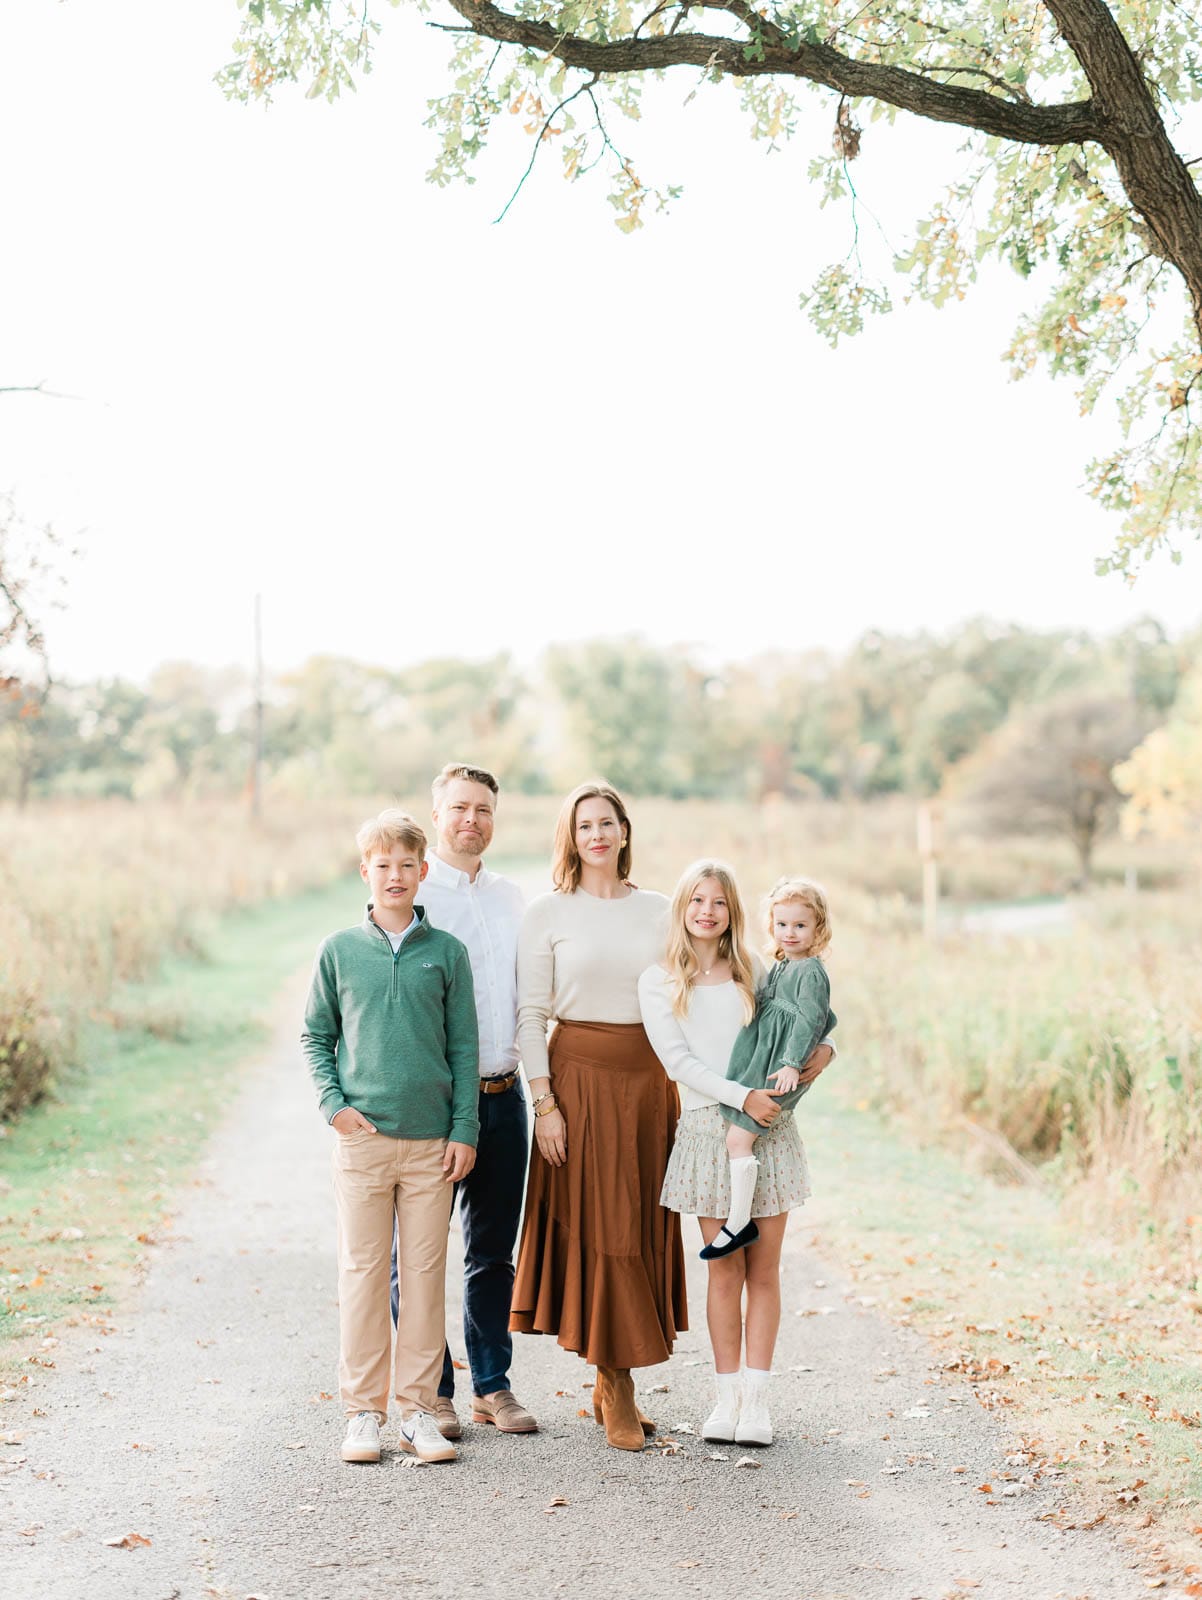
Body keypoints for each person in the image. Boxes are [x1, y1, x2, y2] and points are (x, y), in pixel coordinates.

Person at [509, 779, 684, 1452]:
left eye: (608, 822)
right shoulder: (548, 912)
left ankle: (614, 1374)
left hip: (648, 1083)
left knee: (638, 1225)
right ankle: (617, 1381)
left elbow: (705, 983)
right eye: (585, 826)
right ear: (571, 838)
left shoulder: (661, 910)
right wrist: (544, 1103)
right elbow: (529, 1016)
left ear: (625, 831)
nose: (598, 835)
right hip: (577, 1081)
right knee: (604, 1226)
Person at [301, 809, 479, 1466]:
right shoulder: (340, 950)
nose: (396, 876)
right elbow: (316, 1036)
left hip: (433, 1145)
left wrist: (465, 1128)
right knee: (364, 1275)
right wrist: (334, 1106)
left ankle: (418, 1411)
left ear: (423, 871)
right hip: (364, 1143)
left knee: (427, 1279)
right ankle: (363, 1414)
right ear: (365, 872)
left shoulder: (447, 954)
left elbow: (464, 1047)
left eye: (407, 865)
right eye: (384, 866)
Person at [639, 862, 834, 1449]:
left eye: (718, 902)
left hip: (766, 1128)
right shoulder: (660, 979)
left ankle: (757, 1401)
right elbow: (679, 1063)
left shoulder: (755, 968)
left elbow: (808, 1018)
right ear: (682, 907)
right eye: (696, 900)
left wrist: (822, 1053)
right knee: (723, 1270)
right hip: (707, 1125)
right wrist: (739, 1094)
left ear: (732, 911)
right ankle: (725, 1397)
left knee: (764, 1269)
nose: (707, 911)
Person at [390, 762, 537, 1439]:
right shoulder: (414, 899)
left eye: (482, 808)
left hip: (503, 1098)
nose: (470, 819)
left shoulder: (512, 899)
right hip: (436, 1108)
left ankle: (492, 1385)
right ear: (436, 814)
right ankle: (435, 1389)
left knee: (492, 1251)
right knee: (415, 1256)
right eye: (458, 808)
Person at [703, 876, 835, 1261]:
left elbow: (814, 1018)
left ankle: (738, 1222)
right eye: (782, 925)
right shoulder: (781, 966)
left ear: (817, 928)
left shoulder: (810, 970)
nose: (789, 933)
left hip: (781, 1067)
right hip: (764, 1061)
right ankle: (740, 1217)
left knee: (737, 1140)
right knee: (736, 1135)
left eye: (800, 925)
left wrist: (793, 1062)